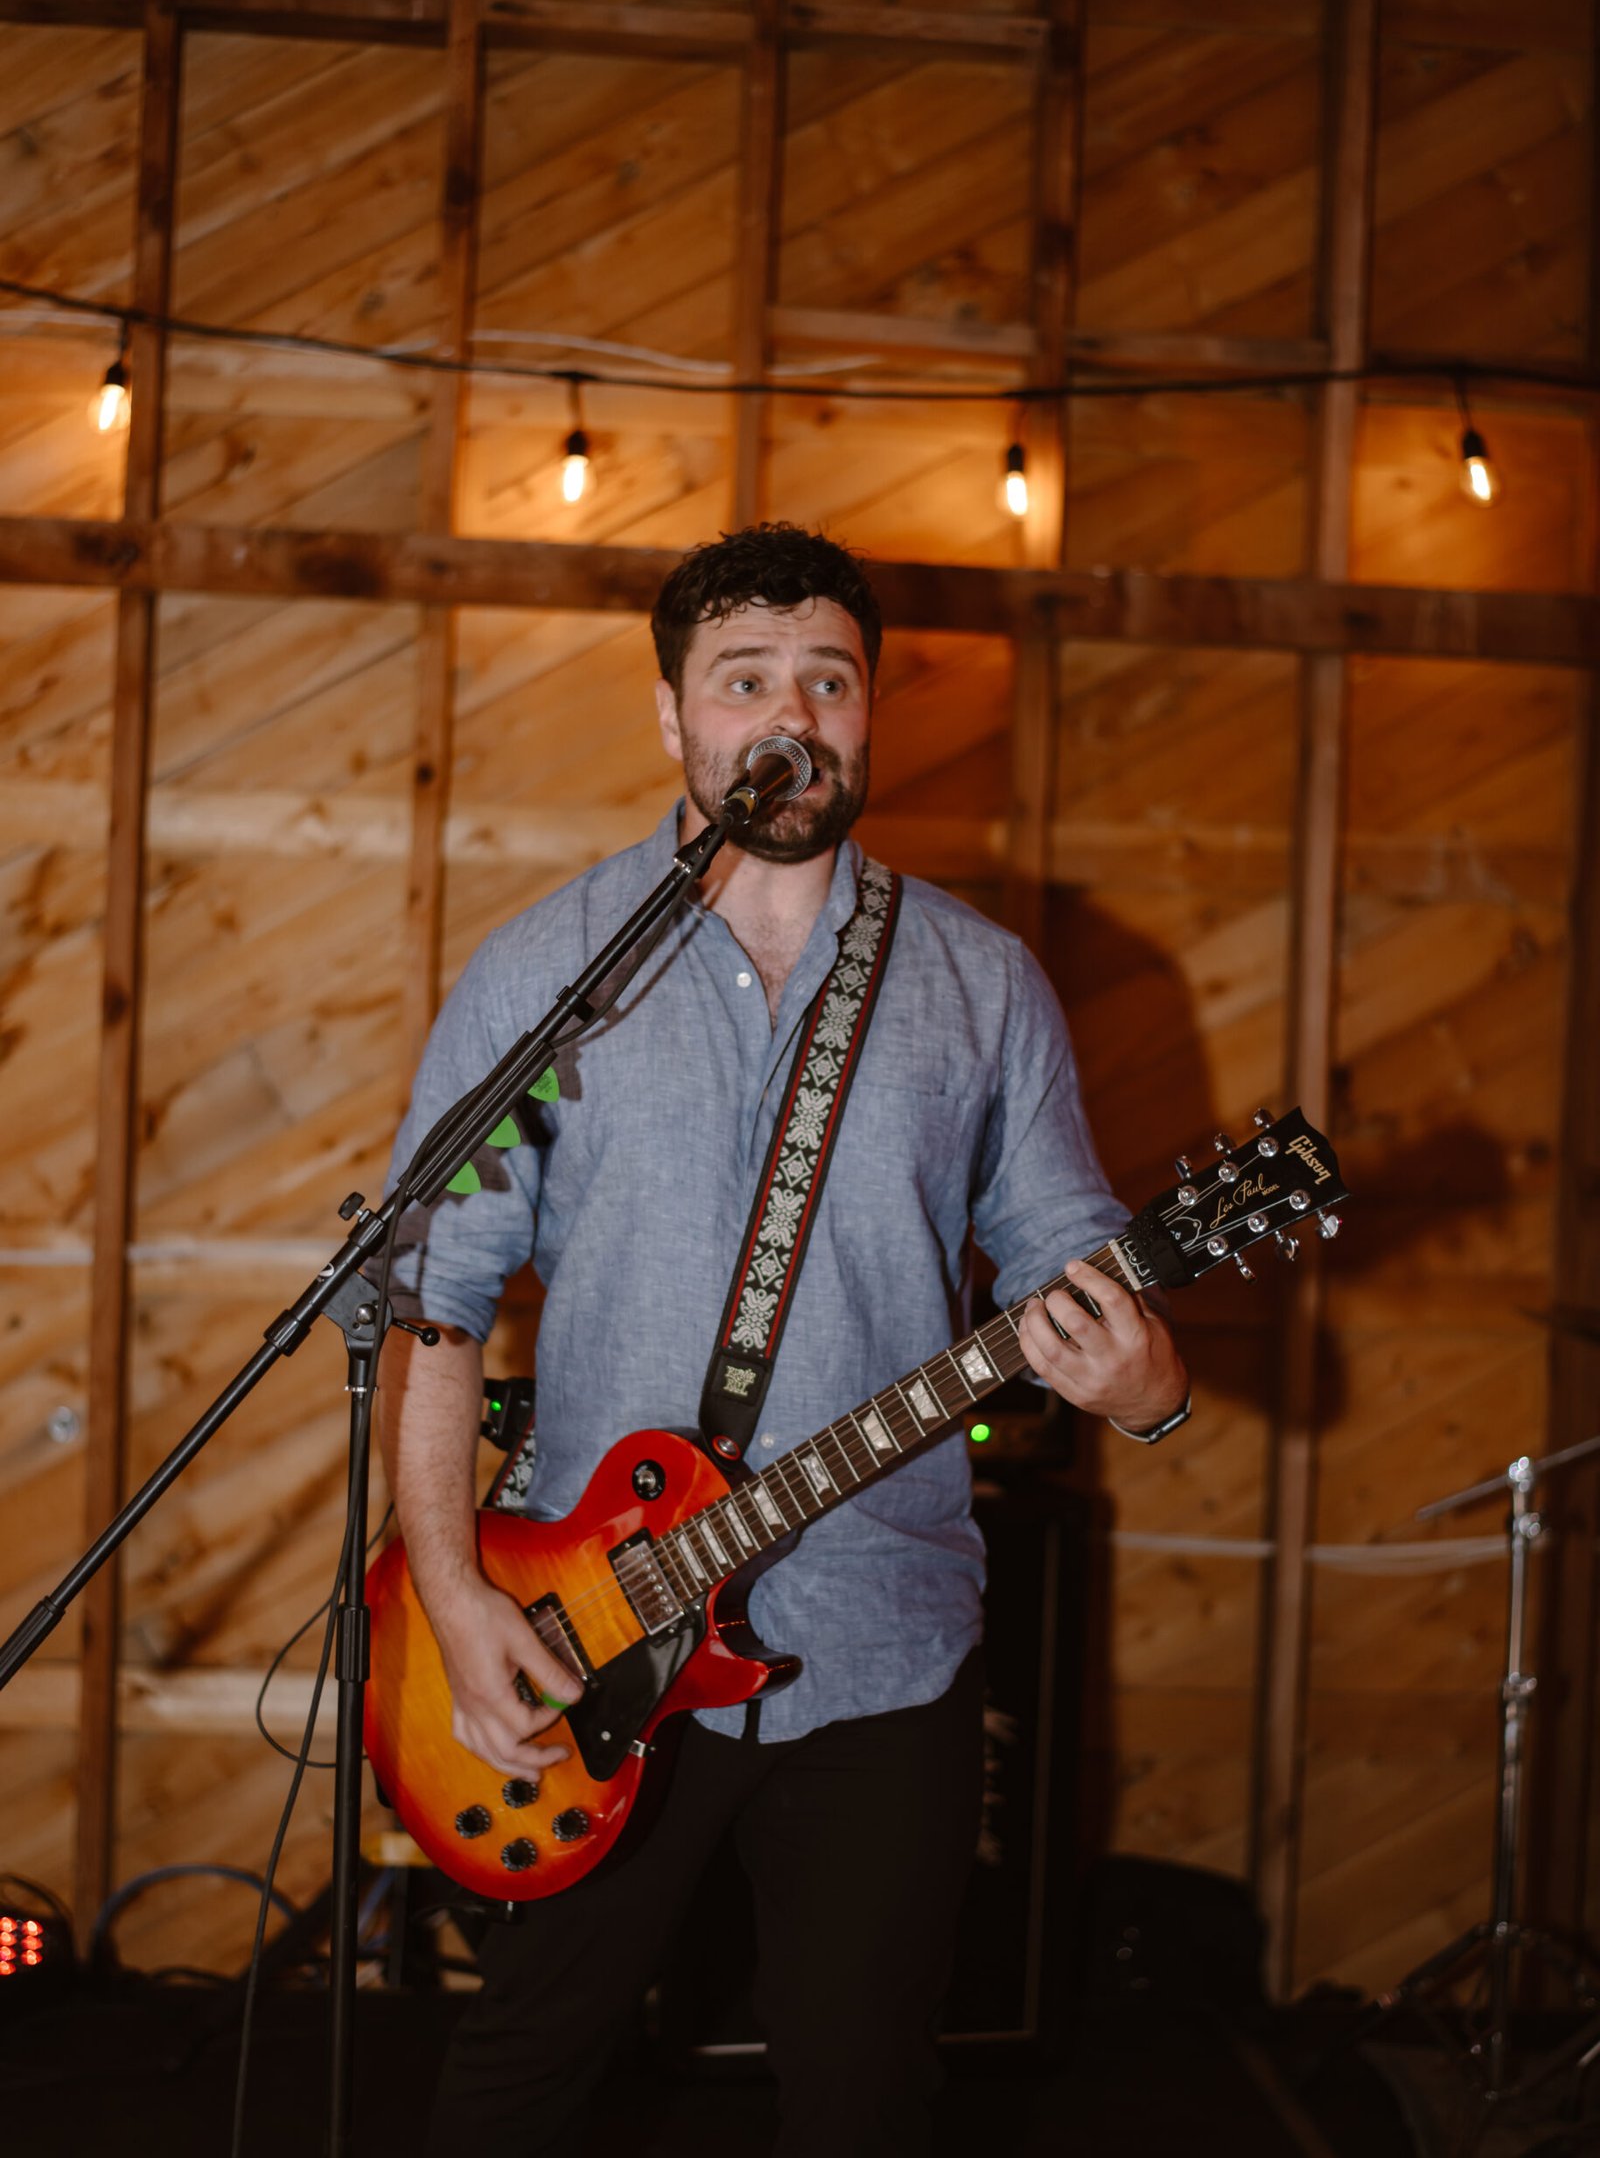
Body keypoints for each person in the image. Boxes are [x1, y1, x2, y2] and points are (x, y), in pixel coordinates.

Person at [377, 523, 1189, 2157]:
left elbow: (1083, 1280)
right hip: (593, 1632)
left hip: (883, 1638)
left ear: (871, 711)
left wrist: (1148, 1384)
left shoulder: (980, 984)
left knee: (866, 2099)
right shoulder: (553, 973)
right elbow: (433, 1301)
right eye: (745, 681)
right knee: (516, 2083)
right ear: (675, 719)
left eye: (830, 677)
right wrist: (456, 1595)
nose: (793, 714)